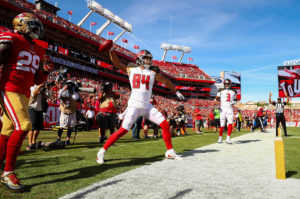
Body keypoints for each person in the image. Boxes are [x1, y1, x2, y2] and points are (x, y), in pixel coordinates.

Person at [97, 48, 185, 164]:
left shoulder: (153, 71)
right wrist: (111, 50)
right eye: (146, 58)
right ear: (139, 59)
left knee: (164, 124)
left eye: (149, 58)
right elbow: (117, 63)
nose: (148, 61)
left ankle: (169, 151)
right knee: (123, 130)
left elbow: (165, 81)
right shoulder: (131, 69)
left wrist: (176, 91)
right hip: (135, 105)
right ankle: (102, 151)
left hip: (147, 106)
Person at [0, 13, 52, 191]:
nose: (37, 29)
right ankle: (8, 173)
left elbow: (37, 79)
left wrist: (45, 71)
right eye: (33, 25)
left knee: (7, 130)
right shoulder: (11, 38)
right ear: (21, 25)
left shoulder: (37, 49)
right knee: (24, 125)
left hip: (23, 93)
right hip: (9, 88)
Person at [27, 82, 52, 150]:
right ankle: (30, 143)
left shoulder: (44, 89)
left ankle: (34, 142)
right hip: (32, 108)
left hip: (40, 109)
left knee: (38, 128)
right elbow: (34, 94)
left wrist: (49, 89)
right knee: (32, 127)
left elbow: (49, 96)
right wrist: (40, 87)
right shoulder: (33, 86)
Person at [57, 81, 80, 145]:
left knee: (71, 126)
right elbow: (59, 96)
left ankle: (68, 139)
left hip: (72, 111)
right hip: (65, 111)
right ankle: (58, 138)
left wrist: (76, 91)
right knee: (61, 126)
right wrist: (64, 88)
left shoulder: (74, 93)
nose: (70, 86)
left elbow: (77, 98)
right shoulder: (62, 90)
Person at [214, 79, 237, 144]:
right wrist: (216, 101)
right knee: (222, 124)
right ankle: (220, 138)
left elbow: (235, 100)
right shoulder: (220, 90)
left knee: (230, 123)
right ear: (224, 84)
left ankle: (228, 138)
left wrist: (233, 102)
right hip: (223, 109)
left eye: (228, 84)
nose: (227, 85)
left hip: (230, 109)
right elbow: (216, 98)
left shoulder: (234, 91)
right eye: (226, 84)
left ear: (230, 84)